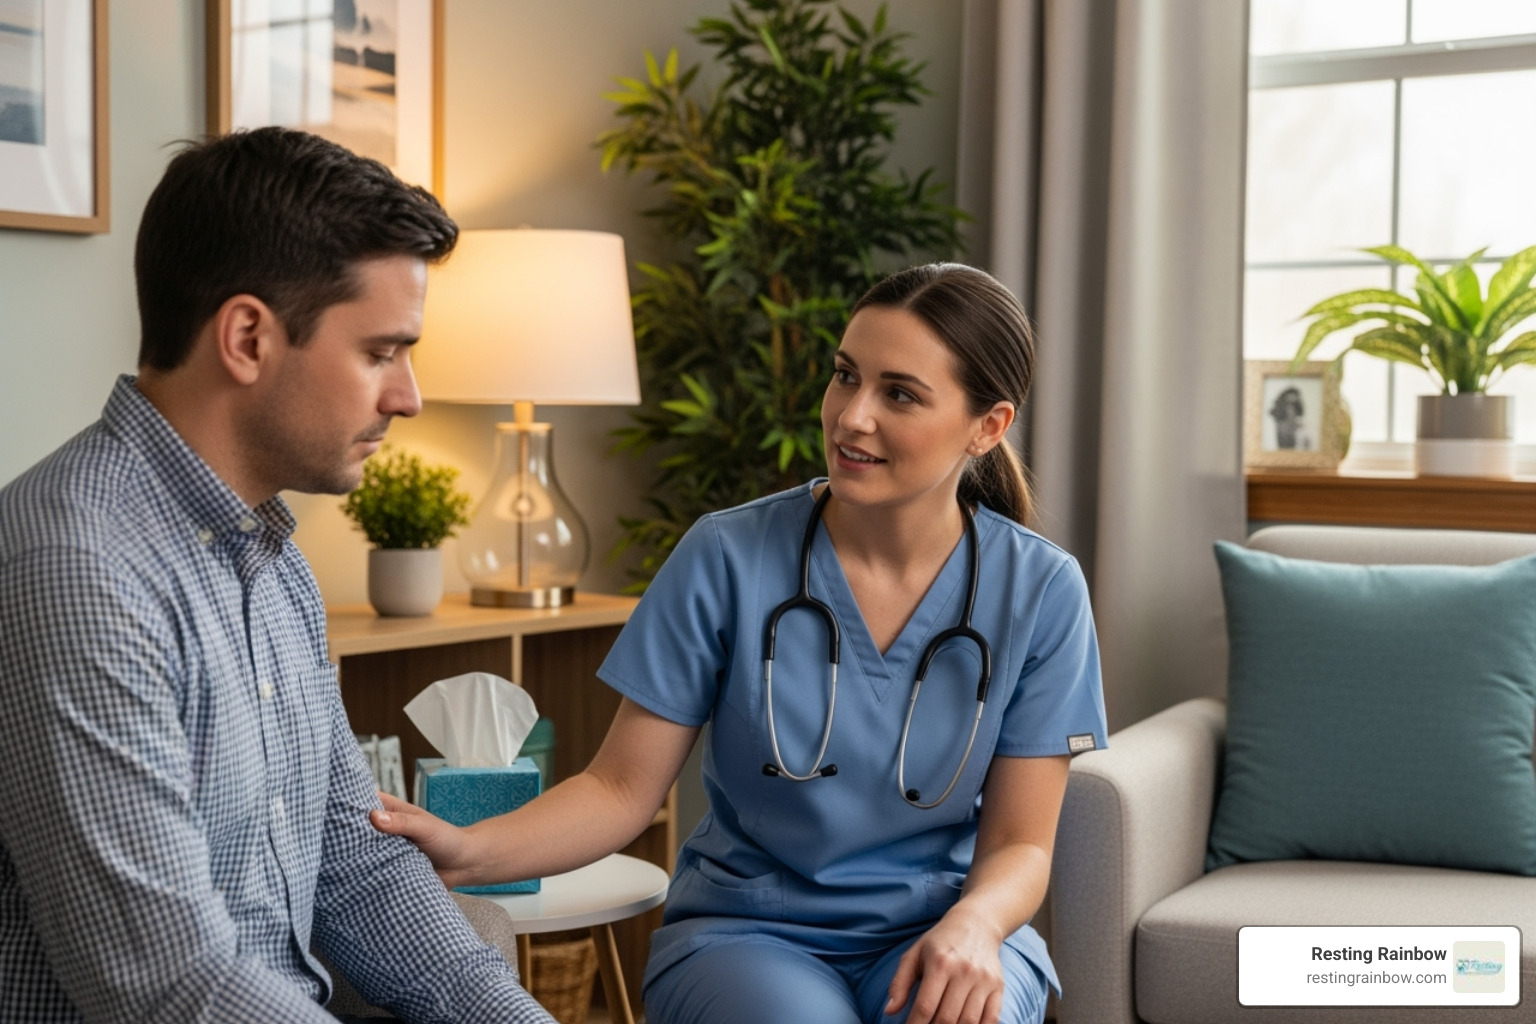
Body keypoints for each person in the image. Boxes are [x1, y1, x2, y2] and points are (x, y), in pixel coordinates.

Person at [373, 263, 1108, 1024]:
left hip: (948, 931)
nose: (852, 417)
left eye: (899, 393)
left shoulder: (1041, 590)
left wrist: (979, 923)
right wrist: (470, 850)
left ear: (987, 426)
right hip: (752, 934)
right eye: (844, 377)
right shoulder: (727, 556)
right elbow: (620, 789)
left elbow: (1022, 844)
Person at [0, 128, 552, 1024]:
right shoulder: (79, 573)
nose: (408, 396)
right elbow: (166, 982)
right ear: (249, 337)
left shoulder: (272, 563)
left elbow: (355, 859)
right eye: (381, 352)